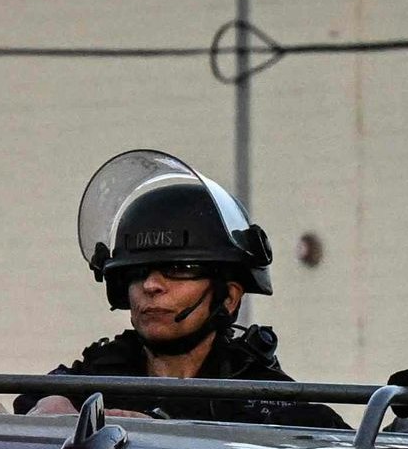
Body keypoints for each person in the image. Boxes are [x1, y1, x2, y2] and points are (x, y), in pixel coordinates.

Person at [22, 149, 322, 425]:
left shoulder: (266, 402)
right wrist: (52, 403)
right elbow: (33, 403)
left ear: (229, 297)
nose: (151, 285)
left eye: (179, 270)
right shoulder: (99, 374)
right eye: (137, 272)